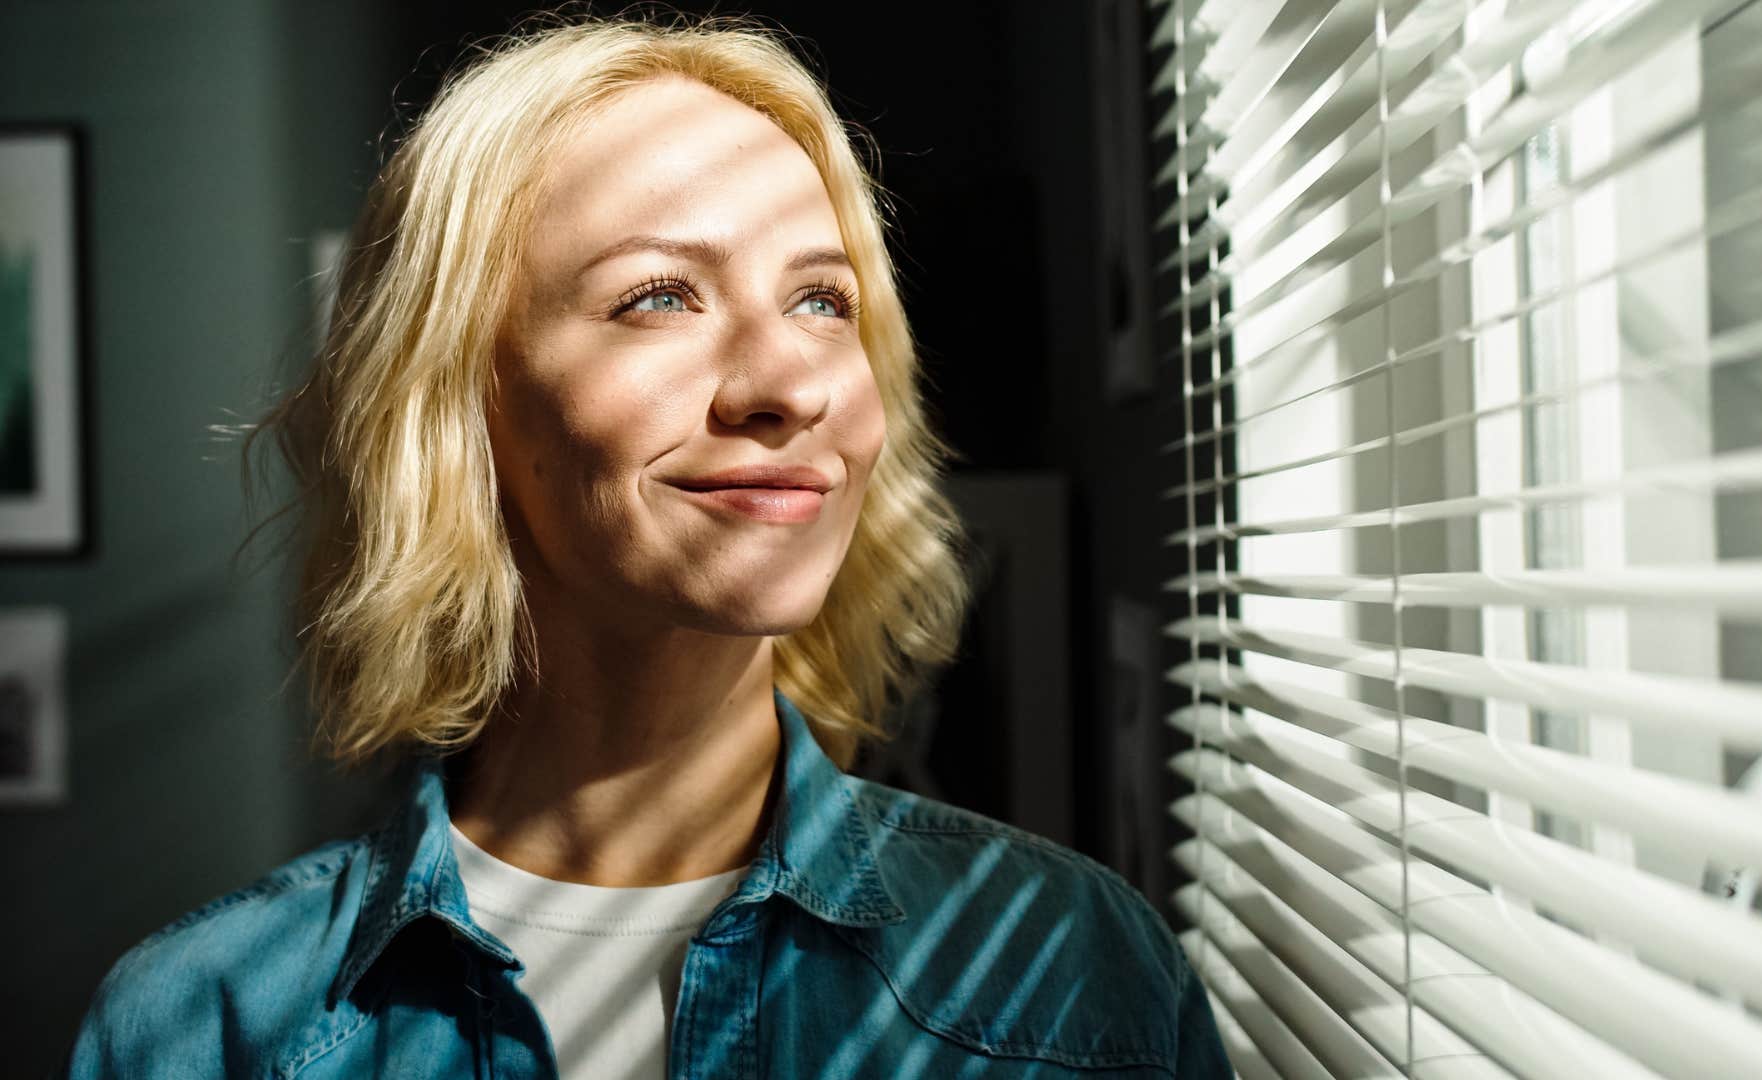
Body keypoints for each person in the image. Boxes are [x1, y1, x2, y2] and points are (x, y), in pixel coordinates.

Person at [63, 15, 1232, 1079]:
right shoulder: (200, 1028)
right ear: (462, 395)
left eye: (824, 301)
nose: (788, 385)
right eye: (660, 296)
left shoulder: (1078, 978)